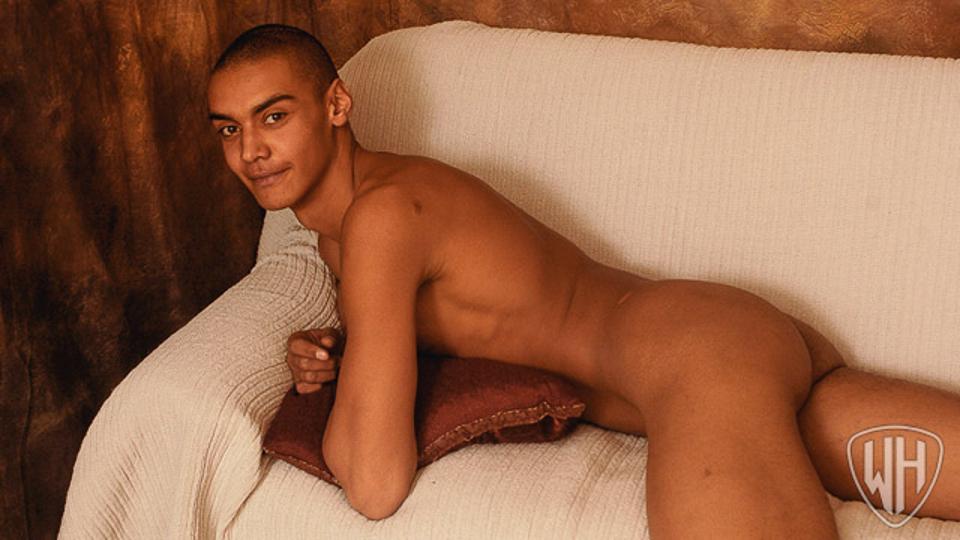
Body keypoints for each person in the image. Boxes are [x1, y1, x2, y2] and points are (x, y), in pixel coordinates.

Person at [206, 23, 960, 536]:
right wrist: (341, 350)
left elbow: (374, 483)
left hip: (694, 359)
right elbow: (462, 316)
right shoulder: (349, 230)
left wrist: (344, 392)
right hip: (724, 344)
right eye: (230, 129)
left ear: (336, 105)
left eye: (274, 117)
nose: (251, 152)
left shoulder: (380, 217)